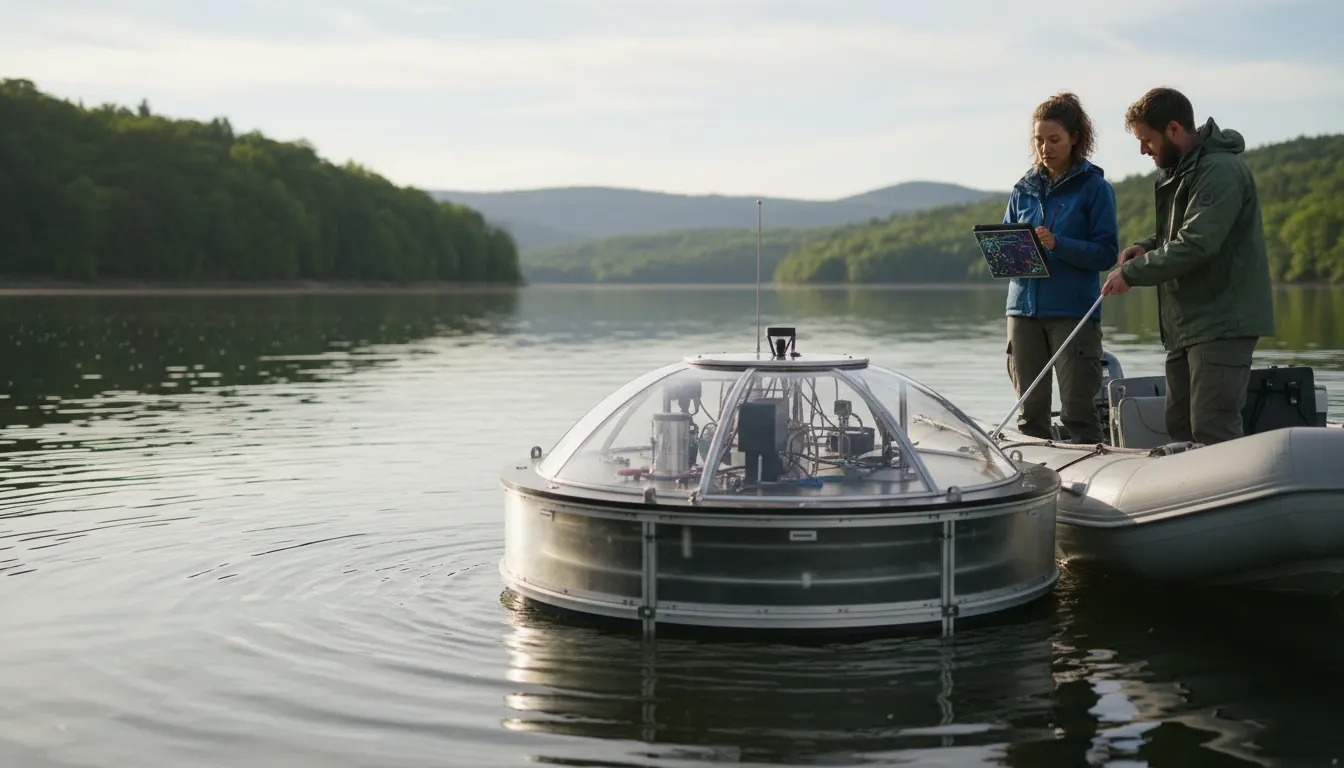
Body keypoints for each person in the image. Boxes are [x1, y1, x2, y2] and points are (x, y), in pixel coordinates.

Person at [1101, 87, 1275, 446]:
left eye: (1147, 139)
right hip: (1189, 324)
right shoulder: (1181, 169)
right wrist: (1147, 246)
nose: (1142, 149)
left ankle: (1234, 484)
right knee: (1179, 425)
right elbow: (1182, 231)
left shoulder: (1220, 170)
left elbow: (1198, 242)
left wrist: (1132, 273)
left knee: (1213, 427)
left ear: (1174, 128)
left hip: (1222, 321)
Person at [1002, 92, 1119, 443]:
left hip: (1073, 313)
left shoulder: (1095, 189)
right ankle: (1033, 473)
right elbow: (1009, 241)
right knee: (1029, 414)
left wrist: (1058, 244)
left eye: (1054, 139)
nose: (1045, 148)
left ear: (1075, 138)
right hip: (1022, 312)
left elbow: (1106, 253)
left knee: (1078, 414)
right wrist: (1002, 251)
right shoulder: (1022, 190)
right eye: (1039, 140)